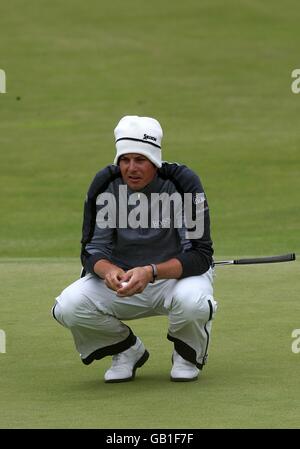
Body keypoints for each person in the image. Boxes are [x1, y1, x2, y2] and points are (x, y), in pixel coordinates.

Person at [52, 115, 217, 383]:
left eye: (140, 160)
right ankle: (127, 350)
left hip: (173, 279)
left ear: (154, 160)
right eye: (125, 160)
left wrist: (150, 272)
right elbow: (91, 250)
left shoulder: (183, 183)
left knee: (192, 301)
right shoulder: (105, 184)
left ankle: (186, 354)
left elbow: (200, 255)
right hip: (121, 283)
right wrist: (108, 270)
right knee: (68, 306)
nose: (131, 168)